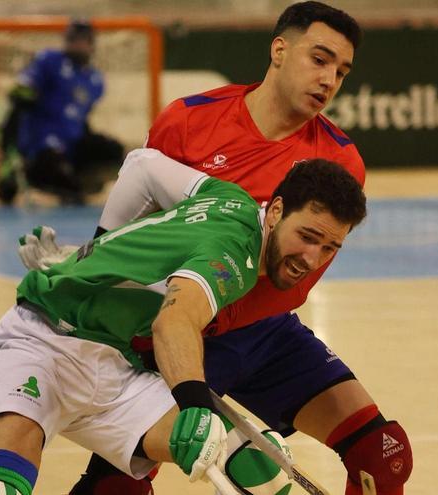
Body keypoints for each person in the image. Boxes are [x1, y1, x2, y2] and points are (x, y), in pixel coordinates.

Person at [32, 2, 413, 494]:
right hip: (176, 328)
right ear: (279, 50)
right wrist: (94, 268)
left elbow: (295, 280)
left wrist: (199, 313)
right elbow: (143, 229)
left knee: (382, 452)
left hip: (259, 327)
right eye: (319, 60)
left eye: (341, 71)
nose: (329, 80)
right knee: (117, 486)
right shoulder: (188, 122)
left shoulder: (339, 161)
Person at [0, 157, 368, 495]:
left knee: (256, 467)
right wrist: (194, 404)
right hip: (45, 345)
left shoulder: (229, 198)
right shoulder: (233, 254)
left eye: (330, 247)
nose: (313, 259)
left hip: (121, 371)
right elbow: (174, 321)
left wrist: (95, 253)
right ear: (277, 211)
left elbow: (143, 166)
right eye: (308, 236)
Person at [0, 19, 124, 205]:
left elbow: (81, 117)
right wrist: (11, 149)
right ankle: (22, 173)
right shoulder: (49, 61)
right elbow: (20, 97)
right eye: (72, 39)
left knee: (114, 150)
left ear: (91, 44)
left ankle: (85, 178)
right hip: (42, 144)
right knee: (69, 189)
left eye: (82, 40)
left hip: (72, 143)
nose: (77, 44)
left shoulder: (95, 80)